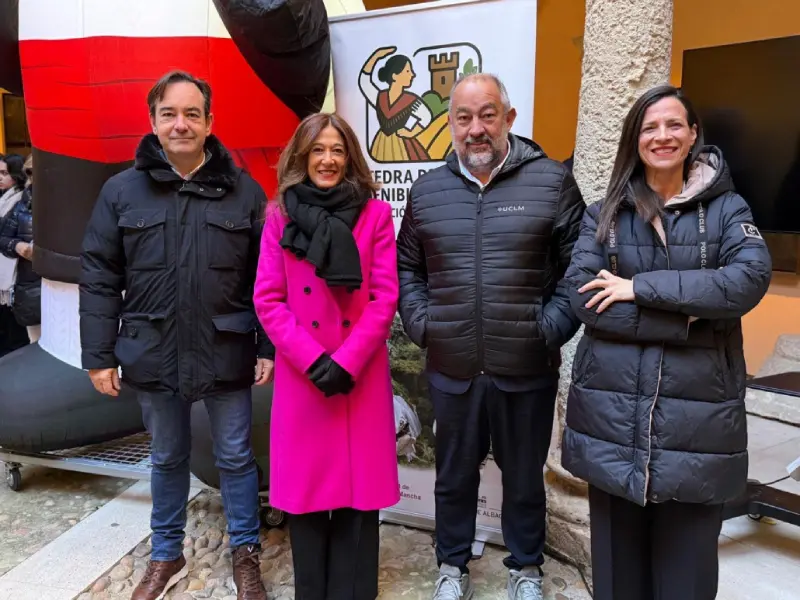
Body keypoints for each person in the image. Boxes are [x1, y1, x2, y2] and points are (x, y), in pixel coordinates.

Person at [561, 84, 772, 600]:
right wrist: (691, 317)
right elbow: (583, 299)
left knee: (686, 582)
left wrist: (637, 289)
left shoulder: (727, 209)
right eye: (649, 127)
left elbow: (747, 281)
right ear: (635, 139)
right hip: (612, 423)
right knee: (618, 583)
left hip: (698, 427)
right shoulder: (603, 214)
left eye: (674, 124)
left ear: (693, 134)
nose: (662, 136)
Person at [79, 70, 274, 600]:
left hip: (226, 348)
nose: (181, 124)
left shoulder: (244, 192)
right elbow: (100, 275)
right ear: (153, 121)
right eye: (169, 114)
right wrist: (99, 354)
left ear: (210, 122)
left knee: (235, 457)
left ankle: (245, 552)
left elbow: (266, 277)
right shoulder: (121, 191)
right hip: (153, 349)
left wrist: (266, 345)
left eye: (192, 114)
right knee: (166, 457)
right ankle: (167, 552)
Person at [396, 73, 586, 600]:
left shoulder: (551, 182)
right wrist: (424, 324)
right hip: (452, 367)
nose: (475, 129)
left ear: (509, 118)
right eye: (463, 118)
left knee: (523, 479)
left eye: (487, 115)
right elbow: (407, 267)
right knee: (453, 476)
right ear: (451, 124)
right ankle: (451, 566)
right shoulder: (427, 191)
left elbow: (579, 267)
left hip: (526, 369)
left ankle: (526, 569)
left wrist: (548, 330)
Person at [254, 112, 399, 600]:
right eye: (318, 149)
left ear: (350, 158)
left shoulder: (375, 215)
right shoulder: (279, 217)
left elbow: (384, 297)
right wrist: (315, 361)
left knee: (359, 500)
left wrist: (346, 361)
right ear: (301, 157)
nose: (328, 159)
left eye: (337, 150)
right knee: (307, 497)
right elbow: (268, 299)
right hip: (304, 378)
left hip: (360, 376)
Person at [0, 153, 41, 342]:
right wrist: (17, 245)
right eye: (31, 173)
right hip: (31, 288)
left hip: (67, 287)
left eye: (4, 173)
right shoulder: (25, 201)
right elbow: (4, 238)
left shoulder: (72, 202)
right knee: (35, 344)